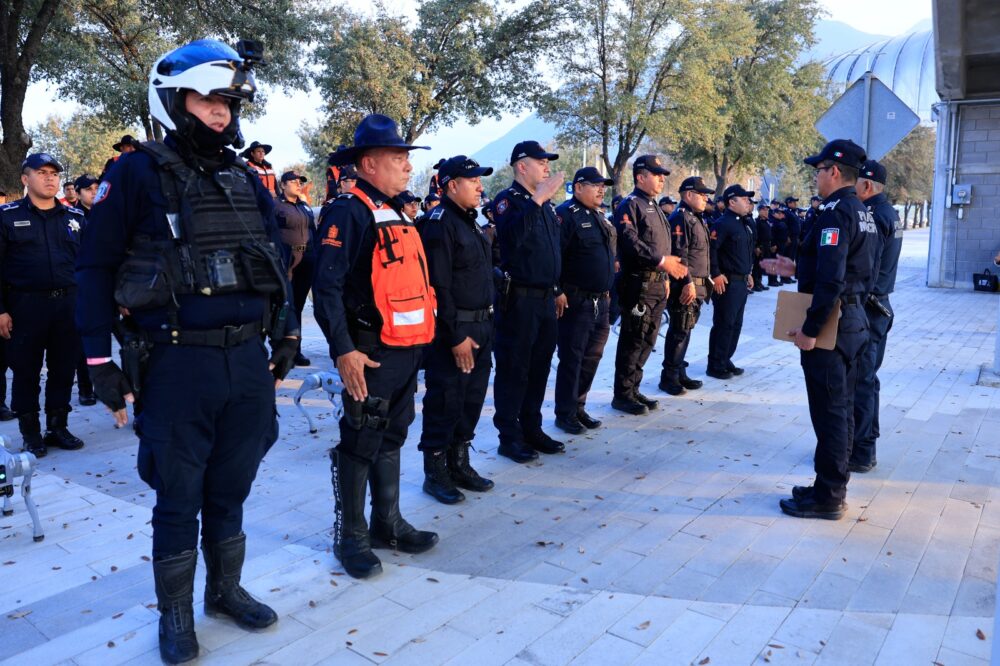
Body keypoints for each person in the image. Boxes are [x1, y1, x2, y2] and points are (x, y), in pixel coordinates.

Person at [76, 40, 300, 663]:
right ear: (174, 101)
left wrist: (286, 333)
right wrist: (96, 359)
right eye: (208, 99)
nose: (222, 112)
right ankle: (174, 615)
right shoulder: (135, 172)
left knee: (231, 487)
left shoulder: (242, 176)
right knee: (178, 496)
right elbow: (94, 268)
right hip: (176, 364)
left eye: (229, 101)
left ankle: (224, 591)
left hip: (246, 361)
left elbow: (275, 262)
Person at [313, 113, 439, 580]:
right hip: (368, 352)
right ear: (368, 164)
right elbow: (326, 289)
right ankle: (351, 536)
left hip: (404, 350)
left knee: (393, 434)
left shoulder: (395, 210)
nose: (408, 166)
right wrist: (343, 350)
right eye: (398, 158)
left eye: (407, 158)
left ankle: (388, 523)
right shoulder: (349, 211)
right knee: (361, 440)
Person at [762, 139, 878, 521]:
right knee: (840, 410)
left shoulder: (835, 213)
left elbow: (831, 280)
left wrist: (811, 330)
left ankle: (829, 496)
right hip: (854, 320)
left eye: (819, 170)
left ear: (834, 171)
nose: (816, 177)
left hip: (834, 328)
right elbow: (856, 270)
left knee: (830, 413)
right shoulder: (861, 211)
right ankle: (828, 485)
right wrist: (797, 269)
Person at [417, 155, 496, 504]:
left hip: (481, 325)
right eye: (473, 180)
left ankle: (459, 463)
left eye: (480, 180)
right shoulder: (439, 224)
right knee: (446, 399)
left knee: (471, 399)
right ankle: (436, 472)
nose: (480, 187)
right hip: (456, 329)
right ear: (452, 185)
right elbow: (439, 287)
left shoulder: (470, 222)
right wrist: (454, 336)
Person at [0, 153, 87, 458]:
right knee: (26, 370)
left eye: (54, 173)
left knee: (64, 368)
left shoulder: (75, 218)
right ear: (25, 179)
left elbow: (89, 264)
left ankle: (58, 426)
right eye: (42, 172)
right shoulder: (7, 216)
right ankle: (31, 433)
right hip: (25, 305)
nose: (50, 178)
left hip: (68, 304)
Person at [491, 140, 566, 462]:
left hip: (545, 298)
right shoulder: (508, 200)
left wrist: (557, 288)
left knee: (539, 368)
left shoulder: (545, 204)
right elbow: (512, 240)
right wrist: (537, 199)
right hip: (519, 299)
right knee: (514, 369)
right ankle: (509, 436)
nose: (547, 167)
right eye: (541, 162)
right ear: (522, 166)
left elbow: (549, 252)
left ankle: (532, 428)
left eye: (548, 162)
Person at [612, 155, 687, 414]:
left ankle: (634, 388)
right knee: (633, 339)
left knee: (648, 340)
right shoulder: (630, 205)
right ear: (640, 177)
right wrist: (661, 262)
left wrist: (664, 277)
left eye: (662, 175)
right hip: (638, 285)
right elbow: (630, 241)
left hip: (656, 285)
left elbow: (663, 245)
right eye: (656, 174)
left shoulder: (654, 207)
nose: (662, 179)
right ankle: (622, 394)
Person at [554, 167, 616, 434]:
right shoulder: (565, 214)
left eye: (603, 185)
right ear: (578, 187)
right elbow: (555, 256)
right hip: (576, 301)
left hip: (601, 301)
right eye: (595, 185)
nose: (601, 189)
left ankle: (579, 406)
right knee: (573, 358)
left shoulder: (599, 216)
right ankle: (565, 413)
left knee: (592, 357)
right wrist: (557, 290)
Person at [851, 159, 902, 474]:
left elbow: (865, 267)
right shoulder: (888, 213)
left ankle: (862, 450)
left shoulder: (872, 216)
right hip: (878, 305)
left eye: (854, 182)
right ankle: (862, 445)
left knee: (862, 381)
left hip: (870, 308)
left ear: (867, 185)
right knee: (867, 380)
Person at [660, 176, 716, 394]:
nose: (705, 199)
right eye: (702, 195)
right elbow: (680, 254)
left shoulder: (696, 217)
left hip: (698, 285)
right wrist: (687, 282)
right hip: (685, 285)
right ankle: (669, 377)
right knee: (679, 331)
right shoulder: (681, 217)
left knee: (685, 330)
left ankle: (679, 371)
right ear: (689, 195)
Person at [707, 185, 755, 377]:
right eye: (744, 199)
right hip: (727, 282)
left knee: (736, 324)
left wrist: (748, 272)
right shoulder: (722, 223)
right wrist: (716, 274)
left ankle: (725, 358)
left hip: (741, 282)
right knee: (724, 324)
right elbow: (712, 250)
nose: (748, 202)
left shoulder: (744, 223)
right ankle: (715, 364)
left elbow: (743, 253)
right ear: (732, 202)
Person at [274, 170, 316, 367]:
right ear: (283, 185)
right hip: (286, 262)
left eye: (300, 181)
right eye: (293, 181)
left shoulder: (304, 206)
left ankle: (295, 350)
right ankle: (279, 350)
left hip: (306, 261)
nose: (299, 184)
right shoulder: (275, 206)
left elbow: (312, 231)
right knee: (284, 305)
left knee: (297, 306)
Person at [768, 206, 789, 286]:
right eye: (779, 213)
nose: (781, 215)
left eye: (781, 213)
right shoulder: (773, 222)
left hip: (781, 245)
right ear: (774, 214)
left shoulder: (780, 222)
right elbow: (772, 235)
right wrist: (773, 245)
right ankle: (772, 280)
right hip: (776, 245)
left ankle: (775, 279)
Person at [752, 203, 771, 292]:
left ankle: (759, 282)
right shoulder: (757, 222)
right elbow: (756, 235)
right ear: (759, 211)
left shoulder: (766, 221)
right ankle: (755, 284)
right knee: (757, 266)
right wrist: (757, 247)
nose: (766, 211)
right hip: (760, 246)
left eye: (767, 210)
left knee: (761, 266)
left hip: (766, 246)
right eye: (764, 210)